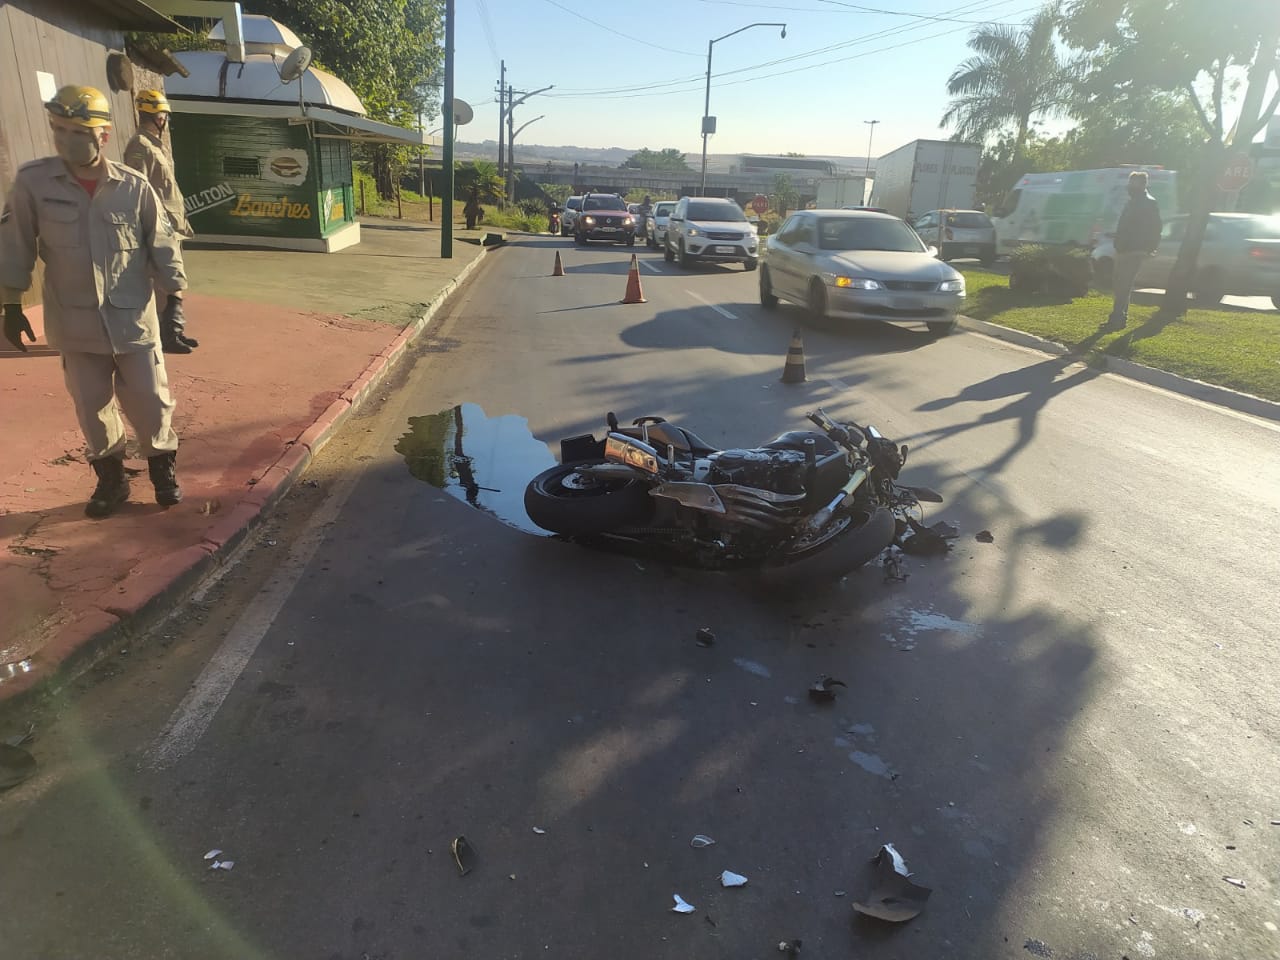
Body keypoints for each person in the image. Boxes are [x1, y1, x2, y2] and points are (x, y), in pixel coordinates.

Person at [0, 85, 188, 518]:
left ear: (102, 136)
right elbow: (14, 245)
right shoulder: (34, 183)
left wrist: (174, 300)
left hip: (133, 320)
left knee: (151, 400)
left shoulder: (132, 186)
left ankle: (162, 469)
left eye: (78, 131)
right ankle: (112, 480)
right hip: (75, 321)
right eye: (59, 129)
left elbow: (162, 246)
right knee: (91, 406)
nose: (67, 139)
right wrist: (11, 305)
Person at [124, 89, 199, 353]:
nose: (166, 119)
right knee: (166, 282)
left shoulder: (155, 145)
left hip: (170, 225)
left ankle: (173, 331)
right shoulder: (140, 146)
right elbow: (135, 187)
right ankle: (167, 335)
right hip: (156, 226)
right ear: (157, 117)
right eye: (164, 114)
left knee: (172, 280)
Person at [1106, 170, 1162, 330]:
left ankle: (1117, 318)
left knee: (1124, 283)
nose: (1130, 187)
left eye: (1134, 184)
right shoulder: (1132, 201)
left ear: (1143, 184)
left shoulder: (1148, 202)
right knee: (1120, 283)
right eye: (1130, 184)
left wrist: (1150, 248)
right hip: (1124, 247)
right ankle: (1120, 316)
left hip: (1135, 249)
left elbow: (1156, 227)